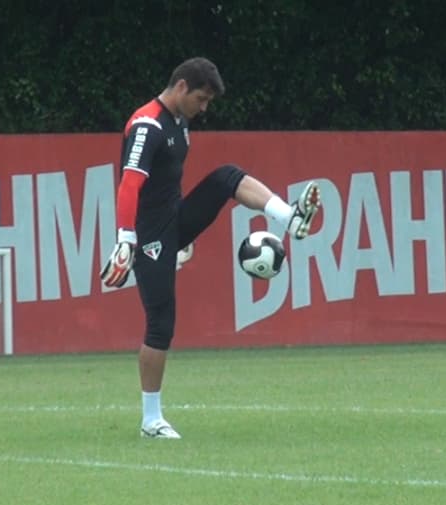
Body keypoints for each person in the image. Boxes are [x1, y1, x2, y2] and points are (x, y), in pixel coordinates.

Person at [100, 57, 321, 439]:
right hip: (148, 237)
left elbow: (167, 187)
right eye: (201, 99)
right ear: (182, 86)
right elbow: (129, 185)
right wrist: (125, 241)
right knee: (161, 322)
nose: (204, 109)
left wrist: (184, 237)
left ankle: (290, 218)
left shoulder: (179, 122)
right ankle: (151, 420)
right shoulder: (147, 125)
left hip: (172, 227)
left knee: (226, 177)